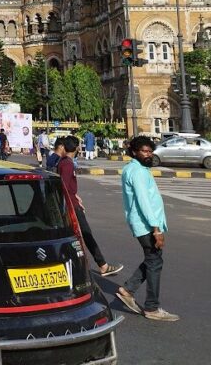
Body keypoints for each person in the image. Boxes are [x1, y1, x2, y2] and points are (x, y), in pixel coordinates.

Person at [117, 136, 178, 322]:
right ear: (135, 152)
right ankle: (151, 307)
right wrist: (156, 229)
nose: (148, 154)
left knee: (153, 259)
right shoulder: (138, 172)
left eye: (150, 151)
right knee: (154, 261)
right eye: (144, 151)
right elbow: (144, 202)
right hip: (145, 224)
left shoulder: (136, 169)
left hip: (142, 223)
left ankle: (127, 290)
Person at [57, 136, 122, 277]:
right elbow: (64, 186)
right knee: (86, 233)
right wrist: (73, 200)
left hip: (71, 203)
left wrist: (76, 196)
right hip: (71, 206)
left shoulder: (64, 162)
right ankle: (103, 265)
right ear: (76, 148)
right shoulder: (67, 164)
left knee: (75, 235)